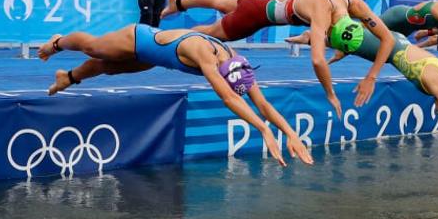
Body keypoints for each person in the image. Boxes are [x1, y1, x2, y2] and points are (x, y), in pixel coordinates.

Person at [36, 25, 313, 167]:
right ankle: (57, 42)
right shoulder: (205, 55)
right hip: (137, 38)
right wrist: (263, 129)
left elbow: (260, 102)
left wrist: (290, 133)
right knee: (96, 48)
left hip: (152, 57)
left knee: (107, 69)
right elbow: (229, 100)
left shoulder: (237, 61)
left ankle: (67, 78)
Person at [289, 29, 438, 167]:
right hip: (390, 47)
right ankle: (309, 36)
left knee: (349, 41)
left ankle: (321, 40)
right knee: (346, 38)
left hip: (400, 42)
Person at [164, 0, 397, 112]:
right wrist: (330, 94)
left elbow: (388, 39)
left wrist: (372, 77)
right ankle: (165, 38)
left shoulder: (351, 2)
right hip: (256, 15)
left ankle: (179, 3)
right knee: (211, 35)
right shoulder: (322, 15)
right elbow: (317, 60)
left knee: (224, 2)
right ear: (332, 29)